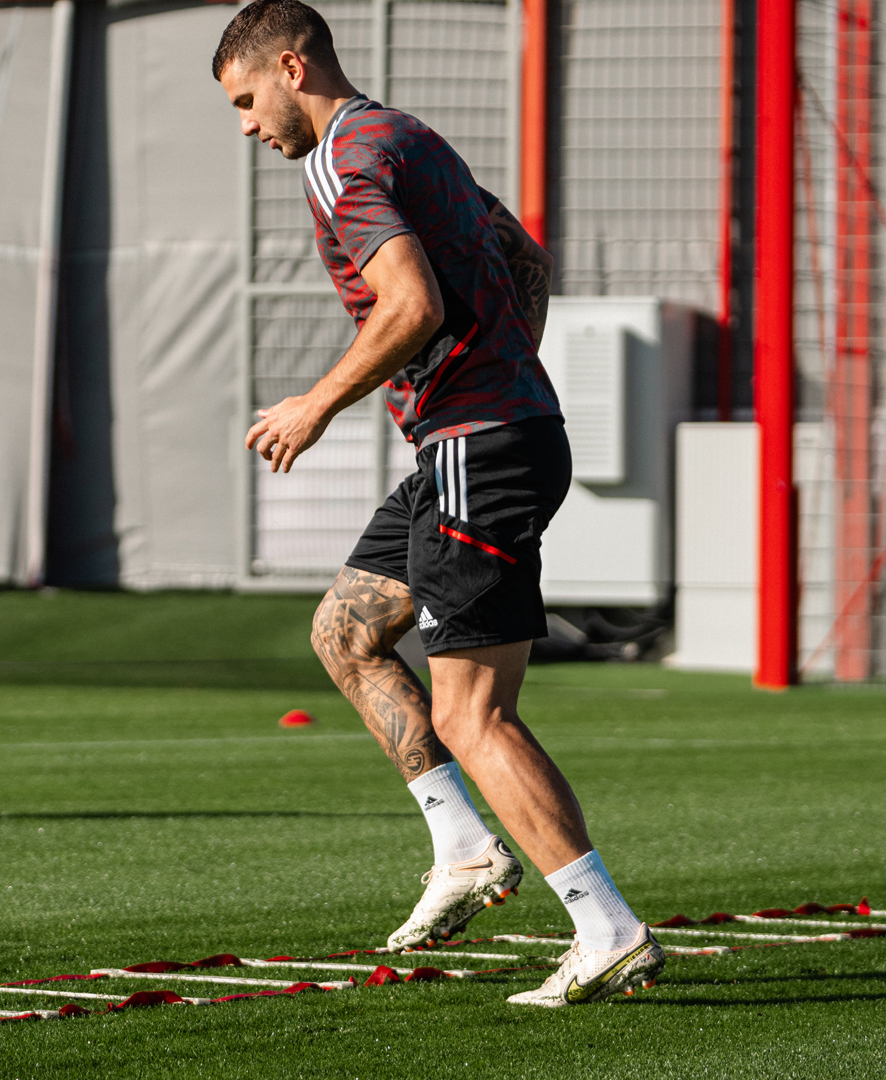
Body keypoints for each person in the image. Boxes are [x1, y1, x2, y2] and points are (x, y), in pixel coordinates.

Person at [209, 0, 662, 1006]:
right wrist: (499, 379)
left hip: (476, 450)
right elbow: (523, 260)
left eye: (247, 100)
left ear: (291, 65)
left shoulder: (341, 158)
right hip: (476, 443)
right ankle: (464, 851)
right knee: (345, 632)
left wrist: (316, 404)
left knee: (473, 714)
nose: (247, 125)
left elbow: (410, 305)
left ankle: (608, 927)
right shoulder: (409, 134)